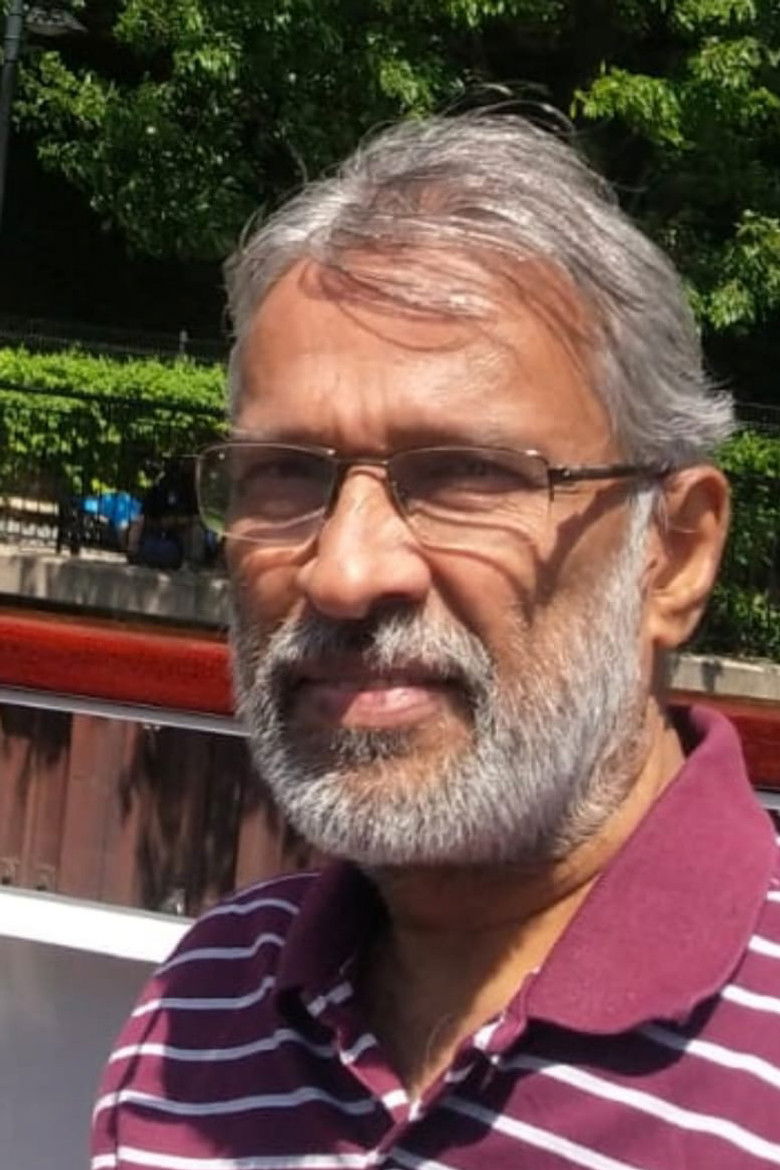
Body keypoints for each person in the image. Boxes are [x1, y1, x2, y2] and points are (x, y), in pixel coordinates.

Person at [92, 114, 780, 1170]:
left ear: (674, 556)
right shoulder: (200, 1012)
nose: (344, 571)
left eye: (466, 475)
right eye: (285, 473)